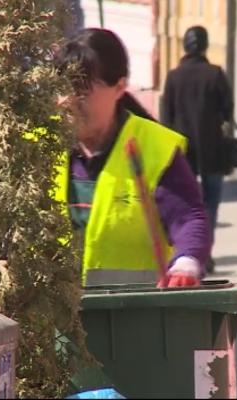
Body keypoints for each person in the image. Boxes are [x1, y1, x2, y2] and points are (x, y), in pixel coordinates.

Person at [54, 28, 210, 288]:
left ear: (119, 87)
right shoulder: (37, 146)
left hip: (132, 314)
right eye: (61, 88)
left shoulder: (154, 147)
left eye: (81, 90)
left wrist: (186, 263)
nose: (66, 101)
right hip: (53, 318)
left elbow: (187, 217)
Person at [160, 26, 234, 273]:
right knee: (209, 205)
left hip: (181, 154)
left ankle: (189, 254)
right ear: (204, 46)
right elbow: (228, 111)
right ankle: (206, 253)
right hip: (212, 150)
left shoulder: (173, 77)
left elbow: (165, 117)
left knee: (186, 204)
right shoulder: (215, 74)